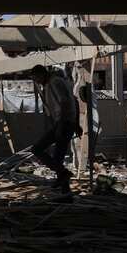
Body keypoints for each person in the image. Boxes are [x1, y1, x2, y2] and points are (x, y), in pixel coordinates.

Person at [29, 64, 80, 195]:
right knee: (58, 159)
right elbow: (74, 100)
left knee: (37, 149)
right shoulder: (53, 83)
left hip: (64, 123)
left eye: (36, 79)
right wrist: (76, 123)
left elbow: (65, 102)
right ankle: (66, 192)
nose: (37, 82)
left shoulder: (54, 82)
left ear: (42, 74)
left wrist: (61, 126)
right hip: (66, 123)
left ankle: (63, 173)